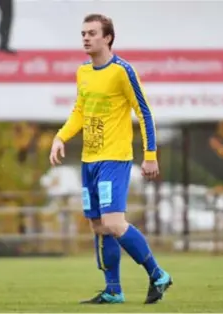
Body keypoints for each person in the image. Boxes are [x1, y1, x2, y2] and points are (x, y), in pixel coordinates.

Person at [49, 14, 172, 304]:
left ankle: (158, 274)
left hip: (114, 159)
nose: (86, 38)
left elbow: (144, 113)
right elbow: (80, 110)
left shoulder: (122, 71)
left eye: (92, 33)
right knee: (98, 226)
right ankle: (113, 289)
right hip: (89, 160)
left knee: (114, 223)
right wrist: (60, 137)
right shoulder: (83, 72)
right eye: (83, 33)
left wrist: (150, 155)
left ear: (108, 38)